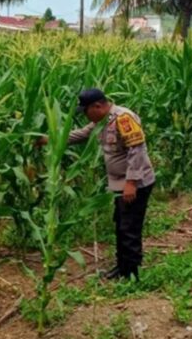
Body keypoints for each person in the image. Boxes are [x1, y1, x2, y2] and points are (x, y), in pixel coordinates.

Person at [36, 88, 156, 280]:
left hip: (135, 183)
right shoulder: (102, 122)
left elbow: (137, 150)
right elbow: (80, 135)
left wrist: (131, 183)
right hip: (119, 184)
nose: (85, 116)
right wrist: (48, 140)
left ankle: (131, 273)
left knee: (129, 227)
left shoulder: (123, 118)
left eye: (85, 111)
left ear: (98, 106)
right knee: (121, 224)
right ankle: (123, 267)